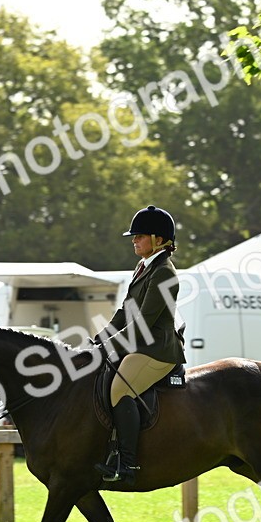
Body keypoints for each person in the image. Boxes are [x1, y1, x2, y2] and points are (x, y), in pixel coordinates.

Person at [92, 205, 186, 484]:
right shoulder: (144, 267)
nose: (134, 240)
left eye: (140, 236)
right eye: (134, 236)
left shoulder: (164, 273)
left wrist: (108, 347)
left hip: (157, 349)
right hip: (140, 346)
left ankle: (127, 464)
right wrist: (98, 340)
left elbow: (142, 323)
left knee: (119, 388)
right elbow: (125, 313)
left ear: (159, 240)